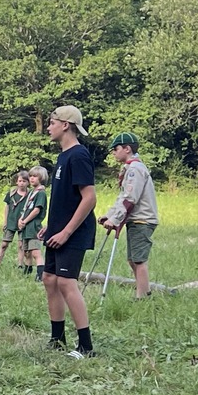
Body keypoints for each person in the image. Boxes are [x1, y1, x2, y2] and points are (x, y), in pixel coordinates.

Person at [42, 106, 98, 358]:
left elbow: (89, 198)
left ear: (66, 125)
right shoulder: (62, 157)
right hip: (57, 231)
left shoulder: (78, 156)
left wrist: (65, 232)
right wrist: (51, 225)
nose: (48, 127)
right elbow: (64, 199)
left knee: (66, 282)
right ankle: (57, 338)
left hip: (73, 232)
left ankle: (86, 346)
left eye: (52, 122)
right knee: (49, 279)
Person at [100, 133, 159, 298]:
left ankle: (142, 297)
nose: (114, 152)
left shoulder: (135, 170)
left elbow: (130, 198)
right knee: (132, 259)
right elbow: (122, 197)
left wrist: (115, 219)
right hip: (135, 220)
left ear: (127, 149)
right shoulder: (130, 168)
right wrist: (109, 215)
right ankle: (144, 290)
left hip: (143, 219)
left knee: (139, 260)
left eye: (116, 149)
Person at [0, 170, 29, 269]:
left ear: (28, 182)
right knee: (4, 244)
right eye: (20, 181)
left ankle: (20, 264)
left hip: (23, 223)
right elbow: (7, 207)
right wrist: (5, 221)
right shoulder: (11, 193)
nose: (22, 183)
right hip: (11, 222)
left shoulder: (30, 195)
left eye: (24, 181)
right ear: (16, 182)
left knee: (21, 245)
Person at [19, 166, 48, 276]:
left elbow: (36, 210)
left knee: (35, 252)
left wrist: (25, 221)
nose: (31, 178)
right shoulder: (31, 192)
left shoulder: (41, 193)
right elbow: (26, 208)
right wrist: (21, 220)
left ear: (41, 178)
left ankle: (40, 274)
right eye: (30, 176)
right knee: (27, 252)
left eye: (35, 176)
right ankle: (27, 272)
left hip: (33, 226)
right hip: (26, 227)